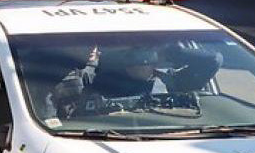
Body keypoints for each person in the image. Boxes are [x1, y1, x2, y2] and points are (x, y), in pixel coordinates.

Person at [43, 43, 222, 120]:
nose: (144, 60)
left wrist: (171, 52)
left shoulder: (170, 82)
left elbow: (212, 60)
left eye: (149, 53)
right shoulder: (93, 79)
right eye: (137, 54)